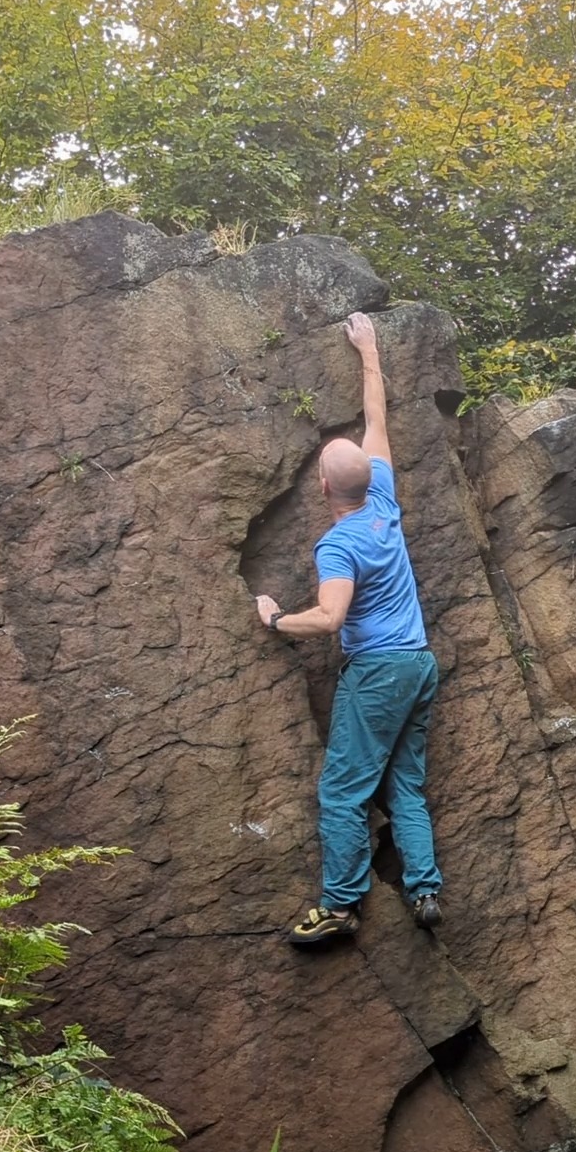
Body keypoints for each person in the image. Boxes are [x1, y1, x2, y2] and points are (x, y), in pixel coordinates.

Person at [257, 311, 443, 947]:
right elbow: (377, 422)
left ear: (323, 485)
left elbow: (331, 618)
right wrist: (368, 352)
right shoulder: (384, 500)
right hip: (419, 663)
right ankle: (424, 888)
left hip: (380, 673)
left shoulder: (337, 547)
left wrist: (277, 619)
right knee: (405, 785)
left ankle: (339, 905)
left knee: (341, 792)